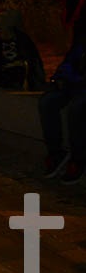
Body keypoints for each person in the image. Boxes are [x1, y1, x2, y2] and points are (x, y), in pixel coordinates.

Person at [39, 25, 86, 183]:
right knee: (47, 102)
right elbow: (71, 59)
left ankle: (78, 159)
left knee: (76, 109)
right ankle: (55, 153)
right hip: (76, 83)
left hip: (81, 86)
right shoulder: (82, 39)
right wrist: (61, 77)